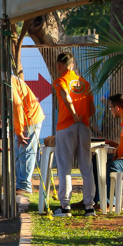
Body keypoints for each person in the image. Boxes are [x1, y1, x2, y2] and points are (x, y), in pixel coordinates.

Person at [0, 64, 44, 195]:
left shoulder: (8, 84)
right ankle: (20, 184)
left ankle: (24, 186)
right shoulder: (2, 83)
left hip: (29, 118)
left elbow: (17, 107)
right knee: (17, 152)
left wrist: (19, 131)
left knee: (25, 152)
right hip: (20, 120)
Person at [52, 51, 96, 217]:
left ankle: (65, 206)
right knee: (86, 167)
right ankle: (89, 206)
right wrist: (82, 116)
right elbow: (92, 109)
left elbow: (65, 96)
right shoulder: (85, 83)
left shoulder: (61, 80)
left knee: (65, 167)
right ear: (73, 65)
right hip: (83, 127)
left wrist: (73, 113)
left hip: (66, 126)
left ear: (60, 66)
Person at [92, 94, 123, 206]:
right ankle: (94, 198)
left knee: (112, 165)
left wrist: (122, 155)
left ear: (117, 108)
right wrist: (110, 143)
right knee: (96, 159)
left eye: (110, 108)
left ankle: (110, 202)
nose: (110, 111)